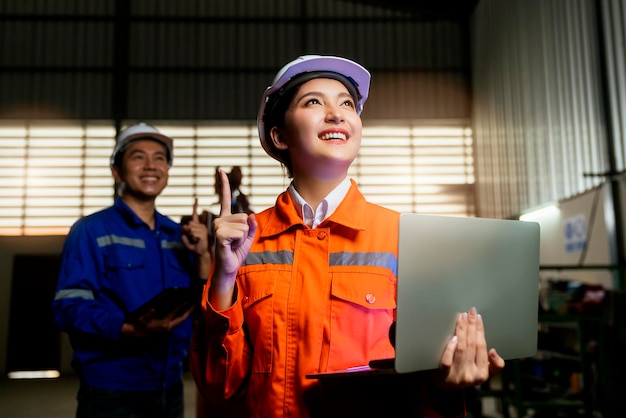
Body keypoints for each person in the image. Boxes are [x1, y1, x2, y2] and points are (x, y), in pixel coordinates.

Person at [190, 55, 505, 418]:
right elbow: (220, 385)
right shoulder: (245, 242)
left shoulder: (405, 236)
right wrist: (224, 279)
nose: (336, 113)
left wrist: (448, 380)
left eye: (346, 104)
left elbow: (425, 374)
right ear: (279, 135)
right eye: (313, 102)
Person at [52, 122, 212, 418]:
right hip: (111, 389)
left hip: (170, 384)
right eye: (138, 156)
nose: (151, 165)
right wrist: (128, 330)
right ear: (117, 172)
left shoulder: (179, 235)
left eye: (160, 157)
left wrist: (204, 256)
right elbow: (68, 308)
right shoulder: (90, 231)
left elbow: (202, 307)